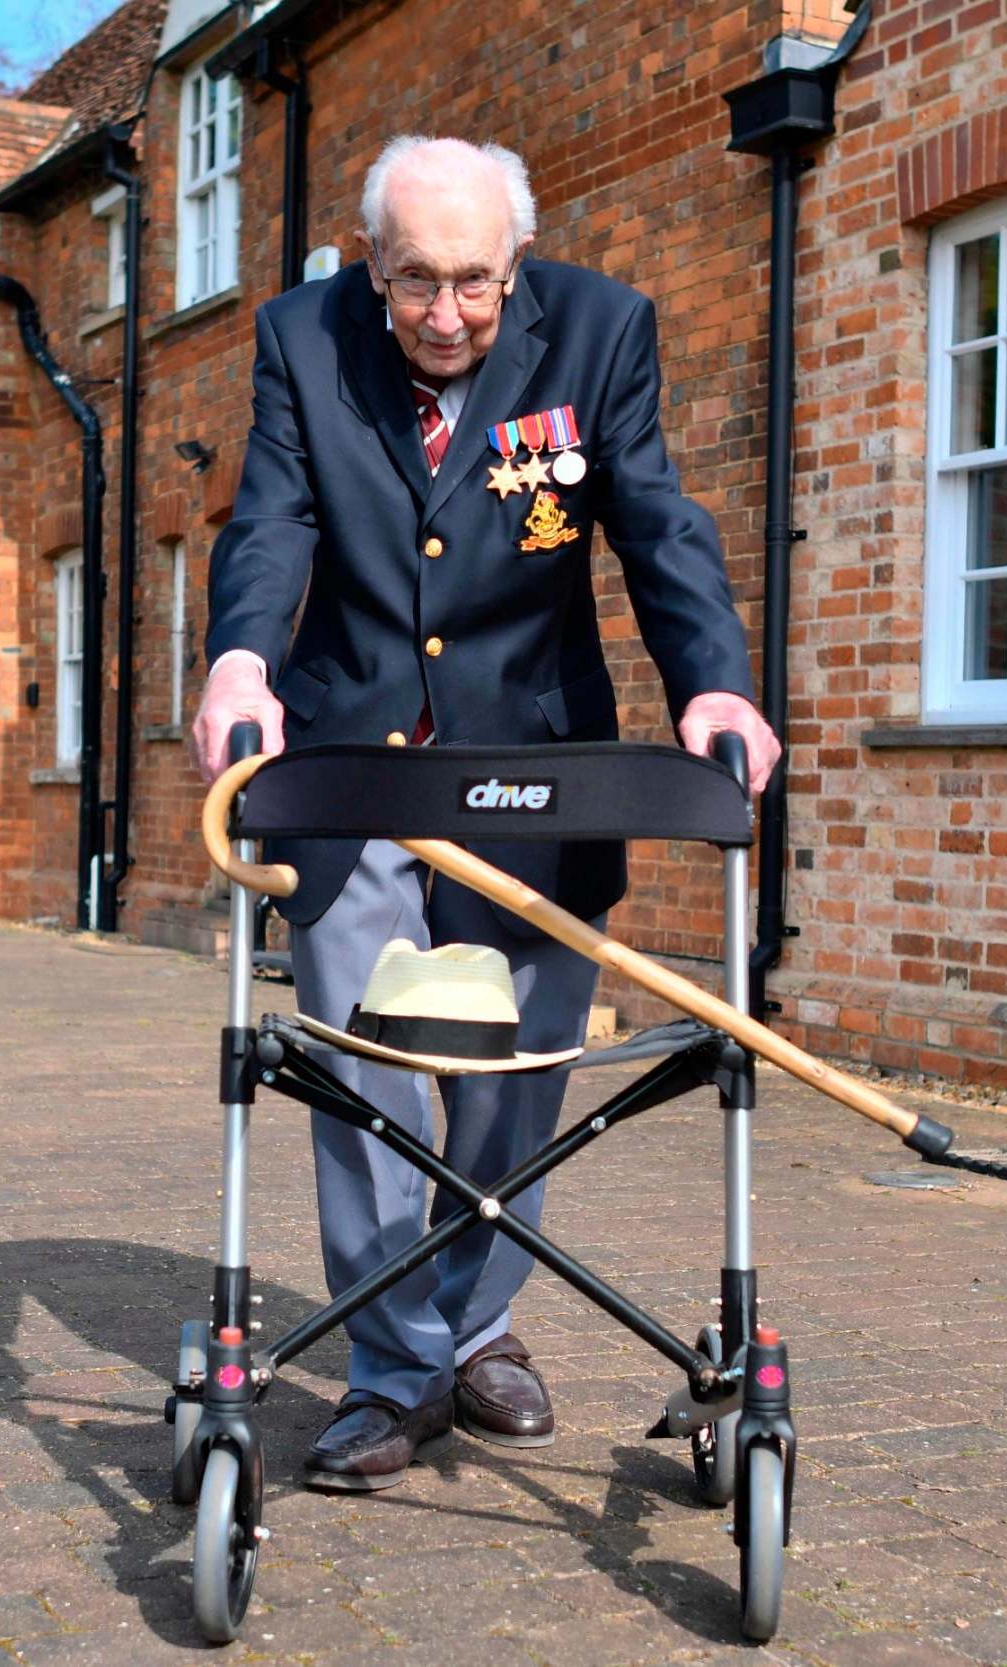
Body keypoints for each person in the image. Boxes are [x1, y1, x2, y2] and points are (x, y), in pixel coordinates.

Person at [193, 135, 779, 1492]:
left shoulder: (602, 329)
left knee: (518, 1078)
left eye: (473, 282)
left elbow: (655, 522)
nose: (446, 314)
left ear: (515, 265)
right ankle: (394, 1370)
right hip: (351, 761)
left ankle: (482, 1325)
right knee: (362, 1066)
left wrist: (714, 689)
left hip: (536, 753)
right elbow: (269, 523)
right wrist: (237, 660)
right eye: (413, 283)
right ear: (367, 263)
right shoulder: (299, 338)